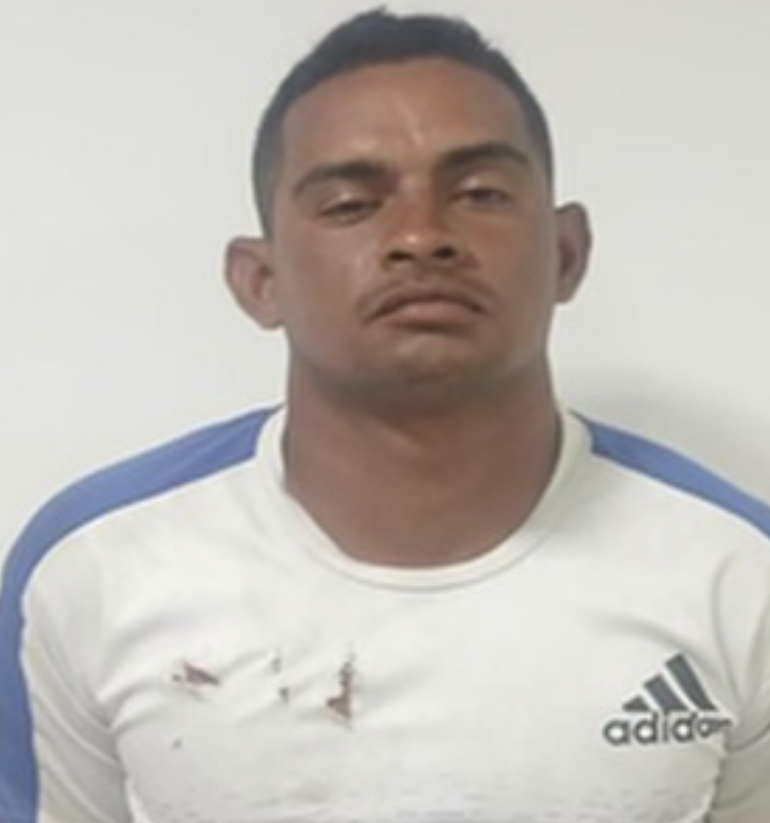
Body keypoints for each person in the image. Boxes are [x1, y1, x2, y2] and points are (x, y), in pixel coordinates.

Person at [1, 8, 769, 823]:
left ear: (566, 253)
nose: (420, 237)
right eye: (349, 204)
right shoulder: (93, 569)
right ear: (260, 280)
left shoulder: (737, 574)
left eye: (479, 193)